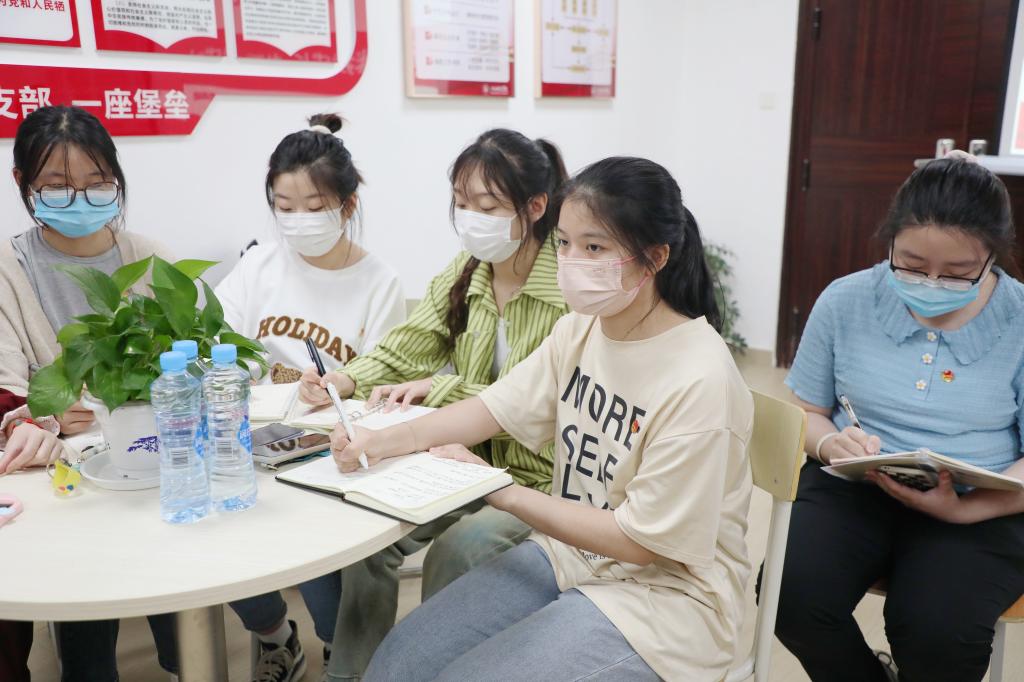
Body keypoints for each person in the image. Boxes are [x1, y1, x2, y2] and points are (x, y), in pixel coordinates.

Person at [332, 157, 754, 681]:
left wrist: (500, 489)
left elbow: (639, 543)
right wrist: (384, 439)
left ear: (656, 257)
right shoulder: (582, 328)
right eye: (565, 243)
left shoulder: (700, 379)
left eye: (594, 248)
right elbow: (491, 408)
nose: (571, 262)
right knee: (398, 664)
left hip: (667, 604)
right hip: (570, 555)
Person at [298, 128, 569, 679]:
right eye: (461, 203)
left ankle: (430, 669)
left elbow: (530, 402)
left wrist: (439, 388)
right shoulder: (470, 270)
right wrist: (343, 379)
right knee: (369, 532)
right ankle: (352, 673)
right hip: (463, 458)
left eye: (487, 207)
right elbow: (412, 343)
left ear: (536, 207)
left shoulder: (568, 289)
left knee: (459, 549)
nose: (470, 219)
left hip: (540, 477)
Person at [773, 155, 1024, 682]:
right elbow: (807, 410)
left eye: (957, 273)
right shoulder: (846, 300)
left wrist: (964, 512)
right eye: (910, 265)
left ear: (993, 257)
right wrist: (830, 445)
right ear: (889, 241)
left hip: (982, 503)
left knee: (938, 634)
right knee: (789, 598)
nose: (930, 282)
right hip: (857, 486)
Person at [214, 113, 405, 682]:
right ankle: (275, 636)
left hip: (326, 452)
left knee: (315, 549)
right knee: (217, 530)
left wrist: (338, 387)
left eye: (313, 206)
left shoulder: (379, 282)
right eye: (284, 206)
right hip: (250, 441)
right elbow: (215, 345)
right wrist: (264, 380)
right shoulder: (258, 266)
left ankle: (335, 649)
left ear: (348, 205)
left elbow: (386, 380)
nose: (297, 220)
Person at [0, 105, 180, 681]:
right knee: (85, 610)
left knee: (180, 588)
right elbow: (8, 391)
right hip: (64, 481)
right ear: (23, 183)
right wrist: (47, 416)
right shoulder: (8, 268)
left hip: (150, 459)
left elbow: (194, 355)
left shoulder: (149, 258)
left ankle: (190, 660)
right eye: (57, 186)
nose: (79, 198)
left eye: (97, 182)